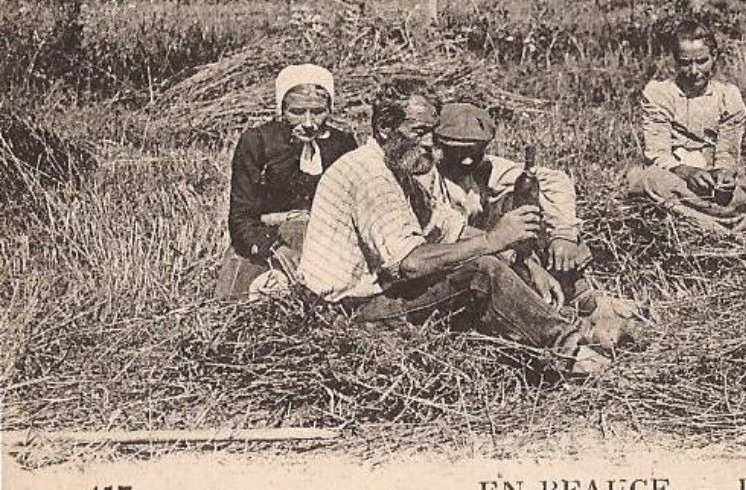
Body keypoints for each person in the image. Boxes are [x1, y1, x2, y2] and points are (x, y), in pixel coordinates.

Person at [298, 79, 607, 372]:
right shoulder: (370, 176)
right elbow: (411, 264)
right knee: (480, 270)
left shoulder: (398, 168)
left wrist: (525, 263)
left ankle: (562, 323)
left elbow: (452, 228)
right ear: (383, 128)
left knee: (486, 259)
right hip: (348, 313)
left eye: (432, 131)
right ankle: (567, 351)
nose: (430, 142)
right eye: (418, 131)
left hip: (377, 296)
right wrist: (493, 241)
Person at [215, 64, 358, 300]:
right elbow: (241, 218)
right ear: (281, 109)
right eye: (298, 112)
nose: (309, 122)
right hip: (269, 241)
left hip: (324, 241)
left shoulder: (342, 144)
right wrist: (275, 248)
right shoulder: (257, 142)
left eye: (318, 111)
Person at [423, 102, 591, 300]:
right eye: (458, 152)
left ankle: (578, 294)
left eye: (474, 152)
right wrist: (525, 262)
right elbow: (453, 233)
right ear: (437, 145)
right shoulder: (426, 177)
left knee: (532, 203)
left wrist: (563, 235)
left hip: (491, 245)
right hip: (455, 259)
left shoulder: (483, 168)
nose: (467, 160)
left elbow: (553, 180)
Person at [628, 18, 746, 235]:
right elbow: (657, 154)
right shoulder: (658, 93)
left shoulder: (728, 97)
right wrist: (686, 172)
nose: (694, 71)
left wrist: (722, 176)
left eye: (702, 61)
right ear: (675, 61)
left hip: (707, 180)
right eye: (685, 63)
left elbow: (727, 152)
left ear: (714, 57)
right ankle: (723, 225)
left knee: (738, 192)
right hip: (672, 175)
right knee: (651, 182)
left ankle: (699, 219)